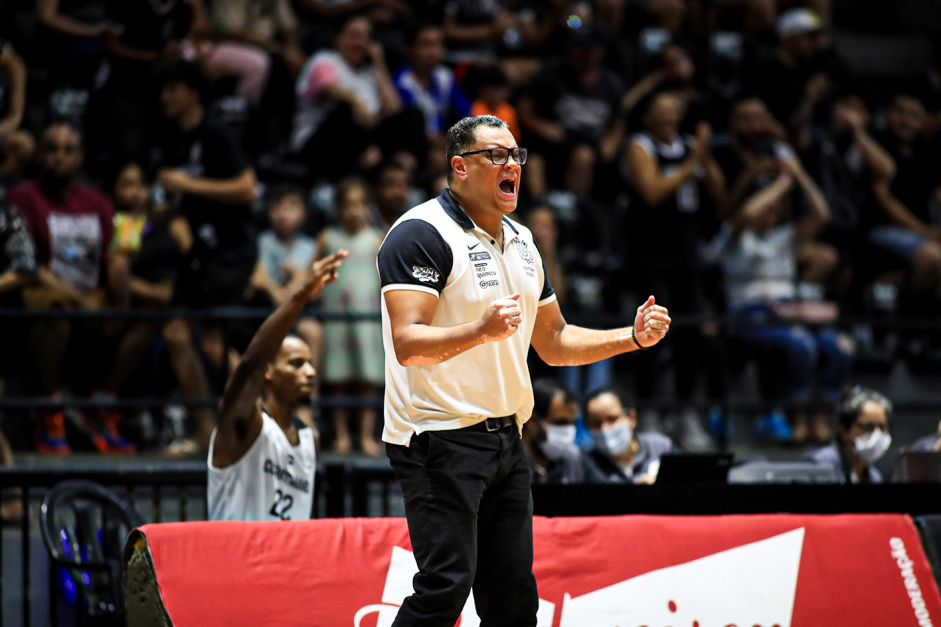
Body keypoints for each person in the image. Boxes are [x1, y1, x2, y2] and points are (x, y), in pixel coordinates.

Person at [377, 114, 671, 626]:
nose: (510, 164)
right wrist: (478, 330)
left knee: (514, 602)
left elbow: (554, 342)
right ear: (459, 168)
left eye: (515, 155)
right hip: (437, 438)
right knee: (444, 588)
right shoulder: (421, 233)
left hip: (507, 441)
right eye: (495, 155)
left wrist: (632, 336)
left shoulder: (523, 240)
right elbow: (409, 345)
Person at [154, 59, 259, 456]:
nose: (166, 97)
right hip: (200, 250)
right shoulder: (173, 137)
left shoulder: (216, 132)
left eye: (173, 89)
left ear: (193, 92)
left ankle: (265, 422)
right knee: (176, 333)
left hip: (231, 250)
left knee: (215, 344)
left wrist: (187, 184)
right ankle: (205, 430)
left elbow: (247, 188)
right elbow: (184, 196)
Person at [6, 122, 121, 454]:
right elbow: (27, 264)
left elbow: (110, 256)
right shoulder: (21, 198)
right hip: (44, 296)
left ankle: (103, 402)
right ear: (40, 155)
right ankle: (49, 406)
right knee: (50, 308)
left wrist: (113, 291)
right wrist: (76, 299)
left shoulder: (98, 201)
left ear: (81, 157)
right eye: (52, 150)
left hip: (91, 297)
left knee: (148, 315)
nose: (60, 157)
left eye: (68, 150)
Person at [208, 250, 347, 521]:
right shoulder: (242, 423)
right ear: (269, 372)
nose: (309, 372)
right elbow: (250, 365)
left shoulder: (310, 439)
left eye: (309, 363)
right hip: (236, 560)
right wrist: (301, 295)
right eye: (296, 364)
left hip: (285, 562)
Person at [623, 91, 727, 450]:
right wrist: (692, 162)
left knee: (690, 336)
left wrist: (704, 158)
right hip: (651, 256)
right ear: (649, 117)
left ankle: (685, 413)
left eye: (674, 112)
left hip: (687, 256)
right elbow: (651, 191)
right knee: (651, 334)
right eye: (662, 113)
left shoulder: (689, 147)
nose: (669, 118)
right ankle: (649, 410)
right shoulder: (640, 146)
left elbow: (719, 194)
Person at [315, 178, 384, 455]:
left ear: (368, 207)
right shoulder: (328, 238)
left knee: (368, 379)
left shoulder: (377, 238)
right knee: (338, 378)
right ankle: (342, 435)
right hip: (336, 316)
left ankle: (367, 435)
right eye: (348, 205)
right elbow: (315, 274)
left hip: (368, 318)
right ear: (338, 208)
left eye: (360, 204)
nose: (354, 210)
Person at [584, 388, 677, 484]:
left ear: (631, 417)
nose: (604, 428)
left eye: (612, 419)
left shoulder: (661, 447)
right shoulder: (587, 463)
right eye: (595, 423)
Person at [803, 385, 892, 483]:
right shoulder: (819, 465)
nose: (877, 434)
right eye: (867, 427)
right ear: (844, 431)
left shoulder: (874, 476)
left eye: (882, 427)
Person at [522, 378, 604, 484]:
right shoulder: (511, 463)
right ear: (532, 420)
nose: (568, 430)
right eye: (560, 423)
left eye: (572, 423)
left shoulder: (575, 458)